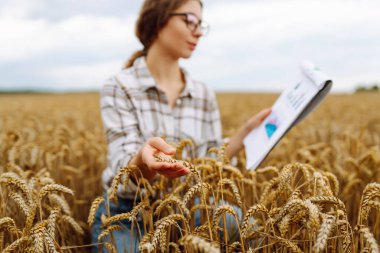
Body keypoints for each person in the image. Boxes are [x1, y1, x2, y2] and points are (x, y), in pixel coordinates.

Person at [91, 0, 271, 252]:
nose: (197, 31)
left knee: (249, 226)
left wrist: (244, 134)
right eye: (189, 21)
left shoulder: (203, 93)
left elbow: (207, 163)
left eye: (200, 25)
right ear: (158, 19)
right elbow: (123, 169)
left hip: (190, 207)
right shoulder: (120, 86)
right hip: (127, 214)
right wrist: (144, 162)